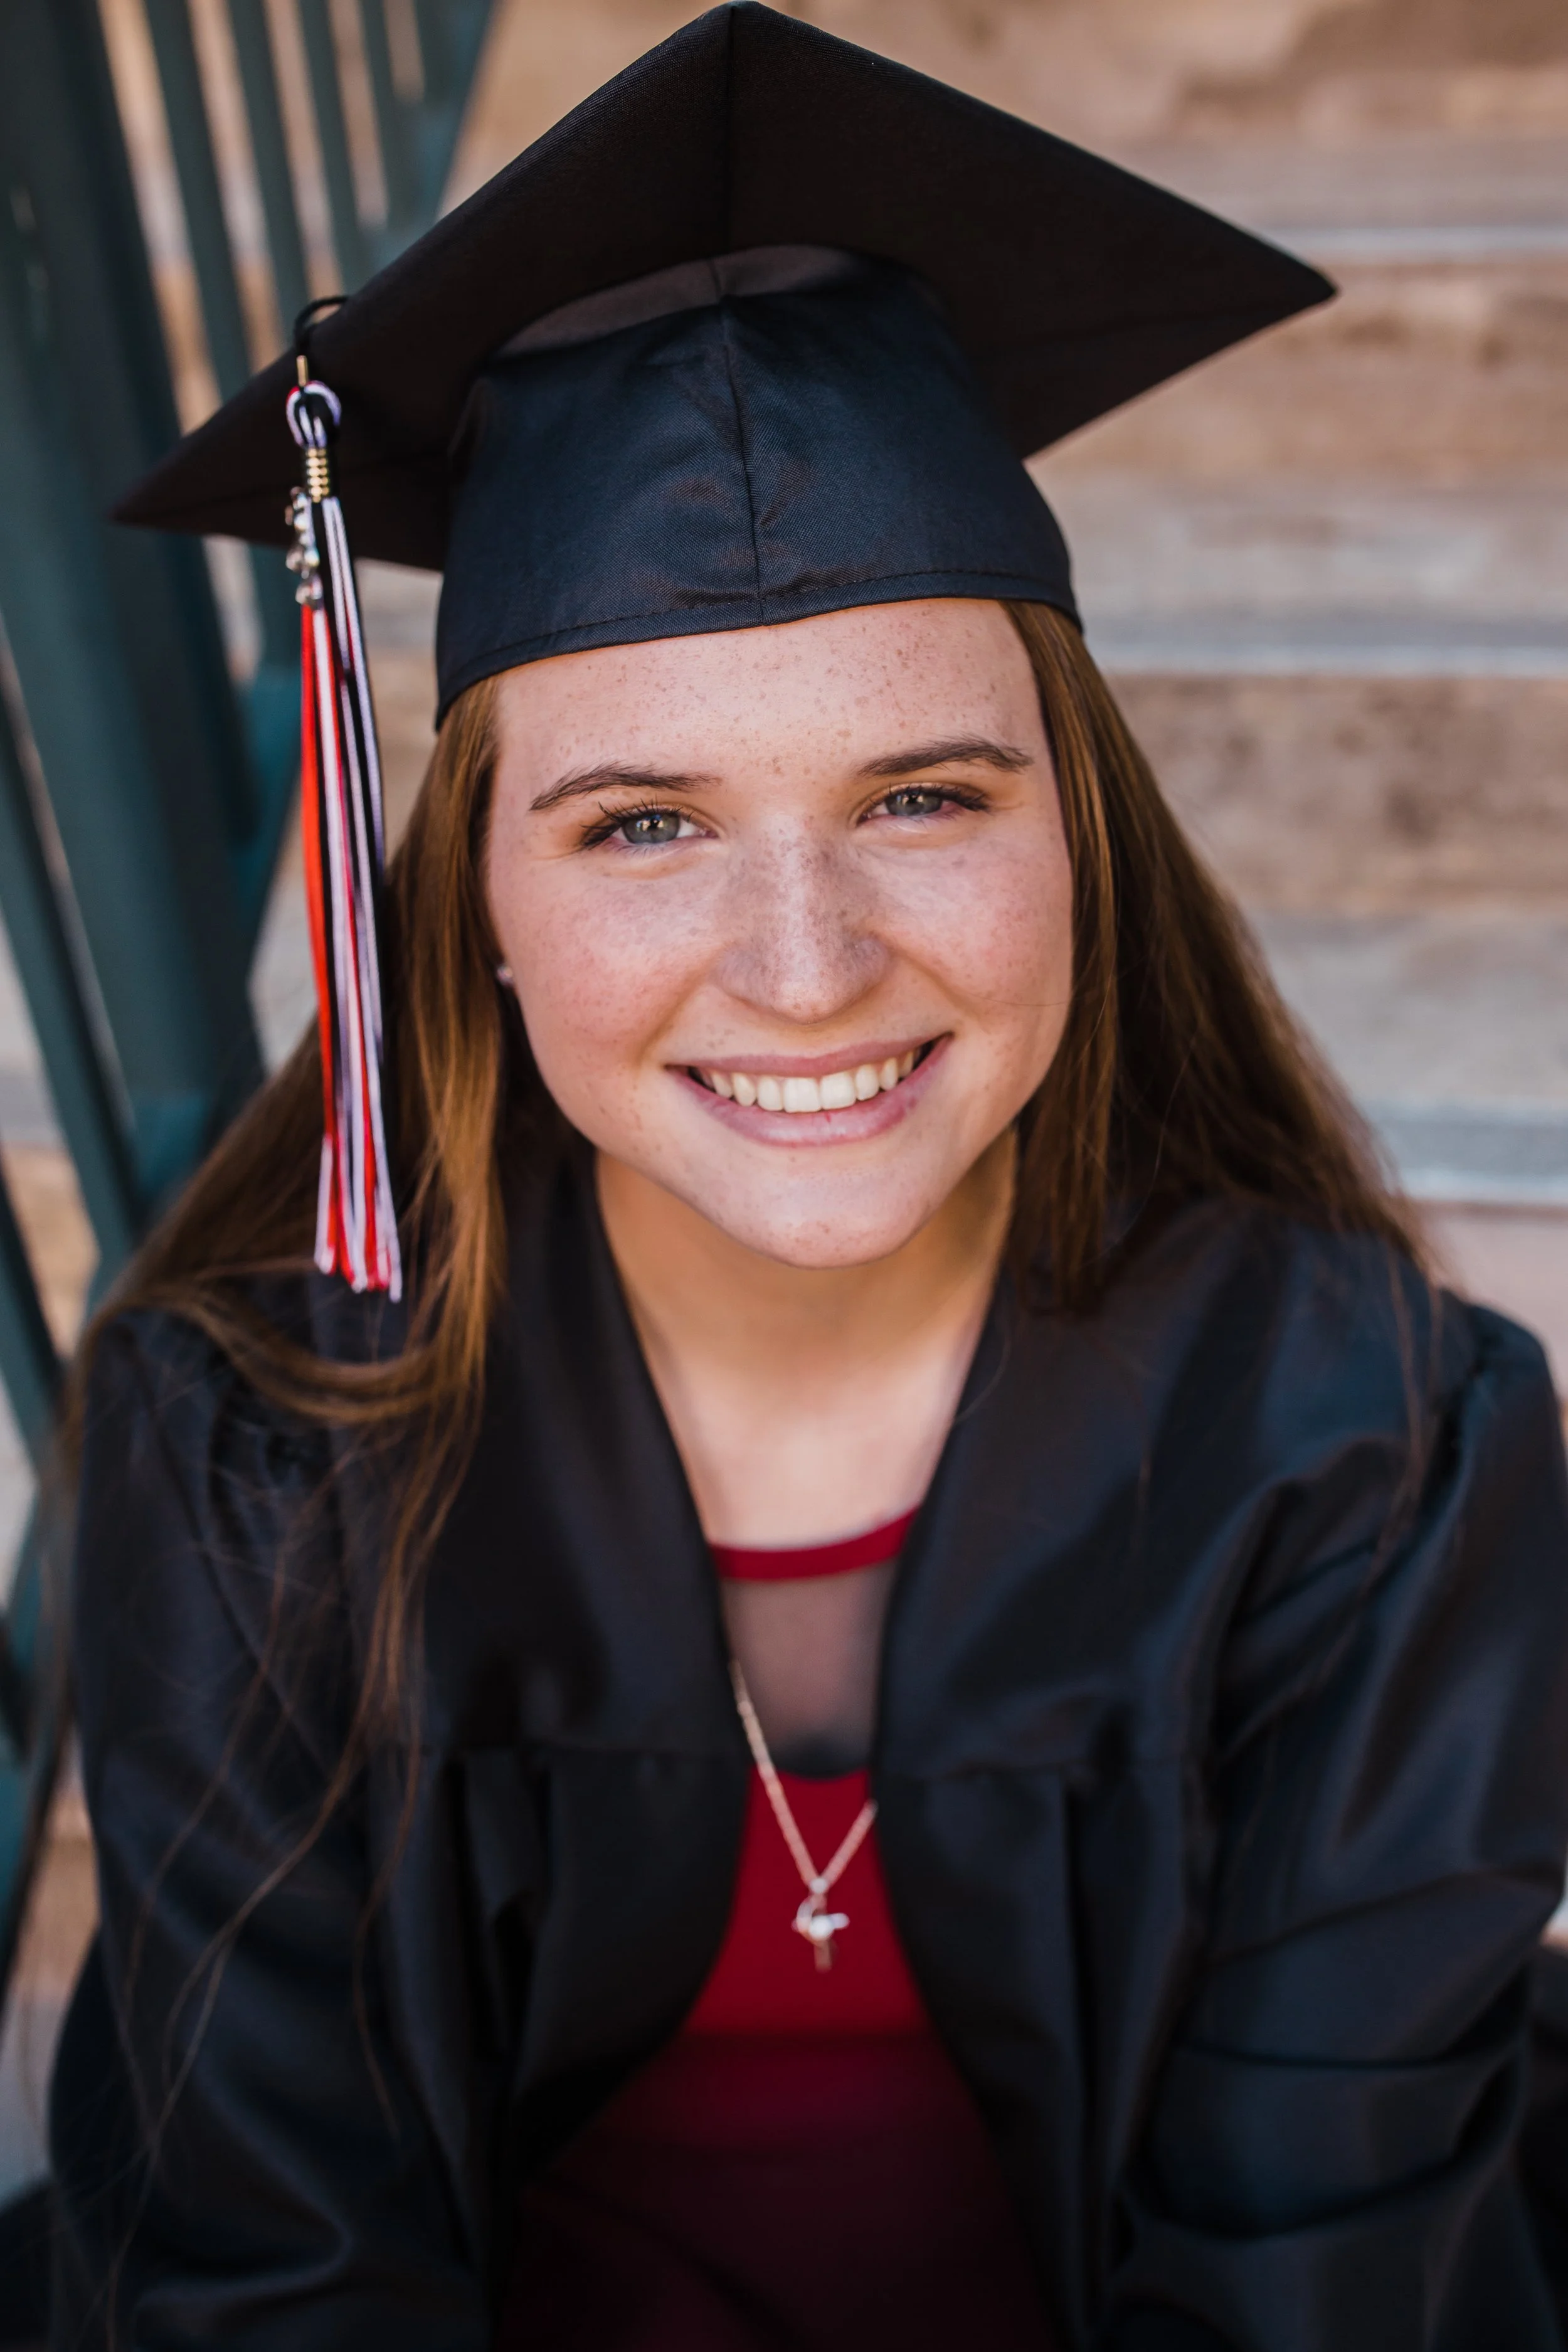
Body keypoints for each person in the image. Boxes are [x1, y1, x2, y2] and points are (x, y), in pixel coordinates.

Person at [47, 8, 1568, 2348]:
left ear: (1081, 840)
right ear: (468, 896)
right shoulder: (259, 1452)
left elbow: (1326, 2268)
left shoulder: (1366, 1446)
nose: (804, 965)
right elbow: (275, 2269)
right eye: (641, 822)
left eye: (924, 796)